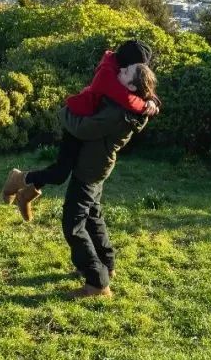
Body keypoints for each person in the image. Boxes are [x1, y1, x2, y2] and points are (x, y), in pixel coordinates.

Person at [1, 40, 159, 220]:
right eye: (136, 66)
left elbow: (141, 87)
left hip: (86, 118)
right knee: (61, 173)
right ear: (127, 62)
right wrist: (146, 106)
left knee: (64, 167)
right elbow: (128, 99)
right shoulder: (107, 75)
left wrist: (153, 101)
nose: (138, 69)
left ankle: (25, 195)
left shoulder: (116, 67)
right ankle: (18, 178)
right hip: (77, 119)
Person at [59, 64, 158, 298]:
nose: (120, 72)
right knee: (93, 216)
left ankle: (97, 282)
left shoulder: (118, 113)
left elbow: (83, 128)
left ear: (132, 86)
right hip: (98, 165)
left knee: (73, 224)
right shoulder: (130, 104)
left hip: (89, 168)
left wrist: (64, 112)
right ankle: (107, 264)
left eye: (125, 73)